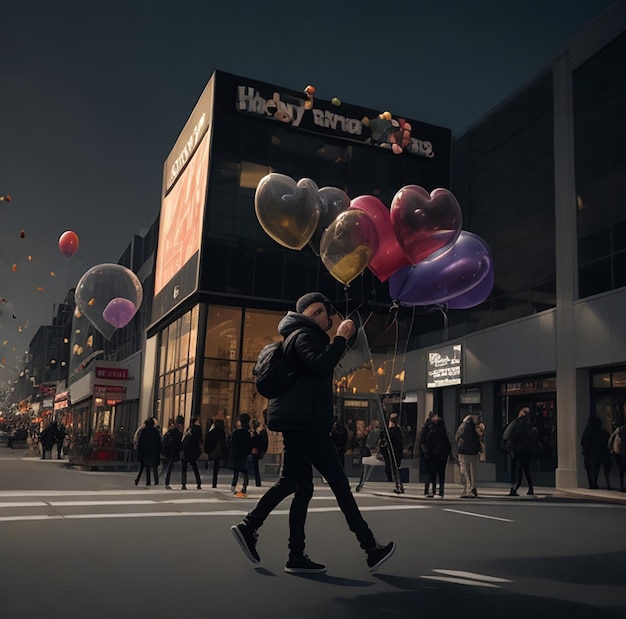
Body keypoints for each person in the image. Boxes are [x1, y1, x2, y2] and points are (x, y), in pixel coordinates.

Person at [231, 291, 395, 574]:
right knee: (340, 485)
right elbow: (321, 364)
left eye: (323, 311)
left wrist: (341, 341)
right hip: (306, 424)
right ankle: (370, 548)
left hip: (301, 422)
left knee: (297, 486)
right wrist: (341, 338)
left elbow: (320, 365)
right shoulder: (303, 336)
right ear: (303, 316)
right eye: (314, 312)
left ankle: (287, 549)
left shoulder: (302, 337)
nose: (321, 316)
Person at [420, 412, 452, 498]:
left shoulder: (429, 427)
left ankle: (433, 490)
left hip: (434, 454)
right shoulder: (440, 427)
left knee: (433, 473)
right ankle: (439, 491)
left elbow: (423, 440)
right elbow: (446, 441)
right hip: (438, 454)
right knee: (439, 473)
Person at [507, 407, 537, 496]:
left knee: (518, 470)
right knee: (525, 470)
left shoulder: (518, 423)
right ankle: (530, 488)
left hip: (518, 450)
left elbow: (509, 434)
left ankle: (514, 488)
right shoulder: (530, 425)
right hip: (526, 451)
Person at [455, 414, 482, 498]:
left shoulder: (462, 427)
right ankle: (473, 487)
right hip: (474, 452)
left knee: (465, 471)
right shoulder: (475, 428)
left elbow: (457, 438)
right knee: (473, 470)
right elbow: (480, 437)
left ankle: (467, 488)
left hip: (463, 452)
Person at [581, 416, 610, 489]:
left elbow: (583, 442)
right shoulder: (601, 432)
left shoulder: (588, 430)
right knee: (596, 468)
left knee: (590, 468)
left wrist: (584, 451)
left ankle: (591, 483)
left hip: (589, 453)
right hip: (598, 453)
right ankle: (594, 482)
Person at [230, 414, 253, 497]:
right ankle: (243, 487)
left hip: (236, 454)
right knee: (244, 471)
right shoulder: (248, 433)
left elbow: (232, 444)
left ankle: (235, 486)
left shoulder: (235, 432)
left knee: (236, 471)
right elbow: (249, 444)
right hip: (245, 454)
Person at [135, 417, 162, 486]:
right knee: (154, 467)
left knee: (147, 467)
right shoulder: (155, 432)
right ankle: (156, 481)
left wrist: (139, 452)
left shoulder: (144, 432)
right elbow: (158, 443)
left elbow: (141, 443)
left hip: (145, 452)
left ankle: (148, 481)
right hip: (154, 452)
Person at [379, 414, 403, 484]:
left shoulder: (396, 430)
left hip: (394, 451)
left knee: (394, 466)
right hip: (388, 451)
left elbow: (396, 440)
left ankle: (395, 478)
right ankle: (391, 478)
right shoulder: (386, 430)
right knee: (389, 466)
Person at [204, 418, 228, 488]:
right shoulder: (221, 432)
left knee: (215, 466)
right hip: (218, 450)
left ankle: (214, 483)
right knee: (216, 466)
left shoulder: (212, 432)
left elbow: (208, 441)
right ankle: (214, 483)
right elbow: (222, 442)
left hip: (212, 450)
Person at [181, 416, 203, 490]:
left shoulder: (189, 430)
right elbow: (200, 439)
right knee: (195, 467)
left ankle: (183, 484)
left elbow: (183, 440)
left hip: (186, 450)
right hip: (193, 450)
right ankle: (198, 483)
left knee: (184, 468)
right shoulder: (197, 429)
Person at [162, 417, 183, 489]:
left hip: (168, 452)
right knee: (172, 467)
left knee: (168, 468)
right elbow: (179, 444)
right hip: (174, 452)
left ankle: (166, 482)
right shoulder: (178, 434)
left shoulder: (169, 432)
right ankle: (182, 483)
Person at [250, 419, 269, 487]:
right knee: (255, 468)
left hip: (257, 450)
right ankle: (257, 482)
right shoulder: (258, 432)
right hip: (256, 450)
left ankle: (257, 482)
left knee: (256, 468)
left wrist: (262, 451)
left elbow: (264, 441)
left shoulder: (261, 432)